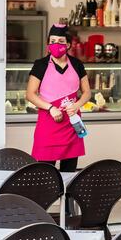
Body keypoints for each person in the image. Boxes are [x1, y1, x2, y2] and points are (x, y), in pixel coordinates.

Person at [26, 24, 91, 174]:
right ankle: (46, 198)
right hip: (49, 121)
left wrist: (77, 105)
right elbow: (30, 94)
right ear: (48, 43)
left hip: (71, 123)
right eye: (52, 41)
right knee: (44, 172)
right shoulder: (40, 65)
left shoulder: (77, 64)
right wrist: (50, 107)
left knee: (69, 172)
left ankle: (67, 198)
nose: (56, 44)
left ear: (68, 45)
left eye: (60, 41)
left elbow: (87, 92)